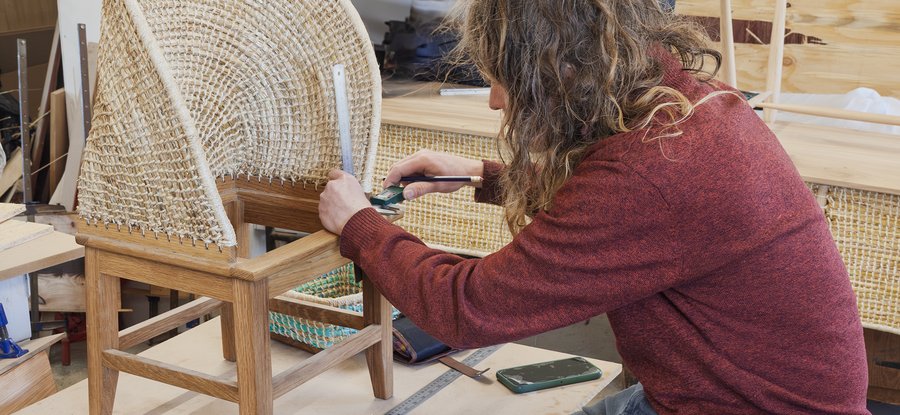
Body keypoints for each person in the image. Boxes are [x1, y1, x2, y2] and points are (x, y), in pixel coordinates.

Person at [318, 0, 869, 413]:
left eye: (506, 80)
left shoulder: (655, 169)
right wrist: (484, 177)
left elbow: (466, 309)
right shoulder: (687, 105)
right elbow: (617, 210)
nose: (495, 101)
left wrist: (358, 225)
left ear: (559, 72)